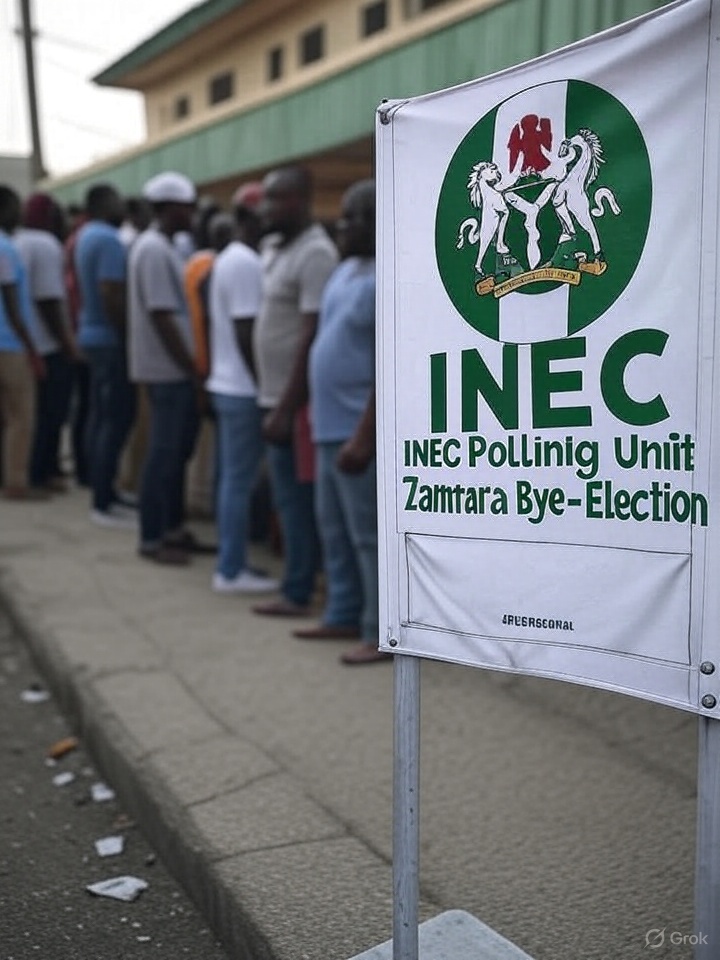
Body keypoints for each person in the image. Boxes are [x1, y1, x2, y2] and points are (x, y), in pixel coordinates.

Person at [297, 179, 390, 665]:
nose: (342, 226)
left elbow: (389, 365)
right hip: (328, 424)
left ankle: (378, 630)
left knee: (368, 536)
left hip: (359, 429)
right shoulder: (344, 271)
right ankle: (343, 612)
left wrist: (365, 435)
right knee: (332, 528)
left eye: (353, 218)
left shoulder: (386, 277)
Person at [252, 166, 338, 617]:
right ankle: (300, 581)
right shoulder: (274, 248)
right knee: (285, 499)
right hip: (270, 396)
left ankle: (299, 588)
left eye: (277, 199)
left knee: (297, 501)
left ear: (302, 200)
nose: (267, 208)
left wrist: (286, 407)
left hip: (296, 403)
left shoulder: (316, 254)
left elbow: (311, 334)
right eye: (266, 199)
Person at [127, 171, 206, 565]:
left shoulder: (160, 247)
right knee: (163, 454)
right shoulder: (154, 249)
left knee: (176, 454)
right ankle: (153, 537)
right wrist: (192, 368)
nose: (193, 214)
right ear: (171, 209)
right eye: (187, 207)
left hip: (169, 370)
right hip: (167, 371)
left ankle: (172, 529)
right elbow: (162, 315)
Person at [206, 183, 279, 594]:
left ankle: (230, 562)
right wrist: (265, 389)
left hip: (227, 383)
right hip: (241, 387)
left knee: (230, 479)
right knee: (237, 480)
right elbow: (245, 330)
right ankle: (231, 569)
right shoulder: (245, 263)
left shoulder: (230, 259)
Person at [74, 183, 137, 527]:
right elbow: (111, 292)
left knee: (101, 416)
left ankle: (105, 491)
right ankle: (103, 501)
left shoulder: (87, 235)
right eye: (116, 199)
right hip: (109, 339)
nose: (122, 205)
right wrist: (128, 336)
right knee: (115, 418)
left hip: (91, 334)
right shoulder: (109, 240)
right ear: (102, 204)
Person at [15, 193, 81, 492]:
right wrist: (67, 343)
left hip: (19, 341)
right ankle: (42, 472)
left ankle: (30, 468)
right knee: (50, 412)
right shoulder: (44, 244)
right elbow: (49, 300)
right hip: (45, 342)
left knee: (25, 414)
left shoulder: (14, 241)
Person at [0, 185, 46, 500]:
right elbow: (13, 305)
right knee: (21, 416)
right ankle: (17, 482)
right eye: (16, 208)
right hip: (9, 344)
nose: (20, 215)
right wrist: (31, 346)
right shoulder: (4, 248)